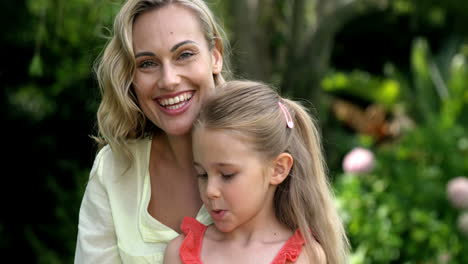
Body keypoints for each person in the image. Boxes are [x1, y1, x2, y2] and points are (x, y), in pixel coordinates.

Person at [74, 0, 231, 263]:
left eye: (184, 55)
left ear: (215, 56)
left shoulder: (266, 153)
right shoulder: (113, 170)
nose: (169, 80)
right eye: (147, 63)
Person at [163, 80, 349, 264]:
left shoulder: (305, 258)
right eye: (202, 174)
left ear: (278, 169)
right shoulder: (179, 253)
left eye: (227, 174)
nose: (210, 190)